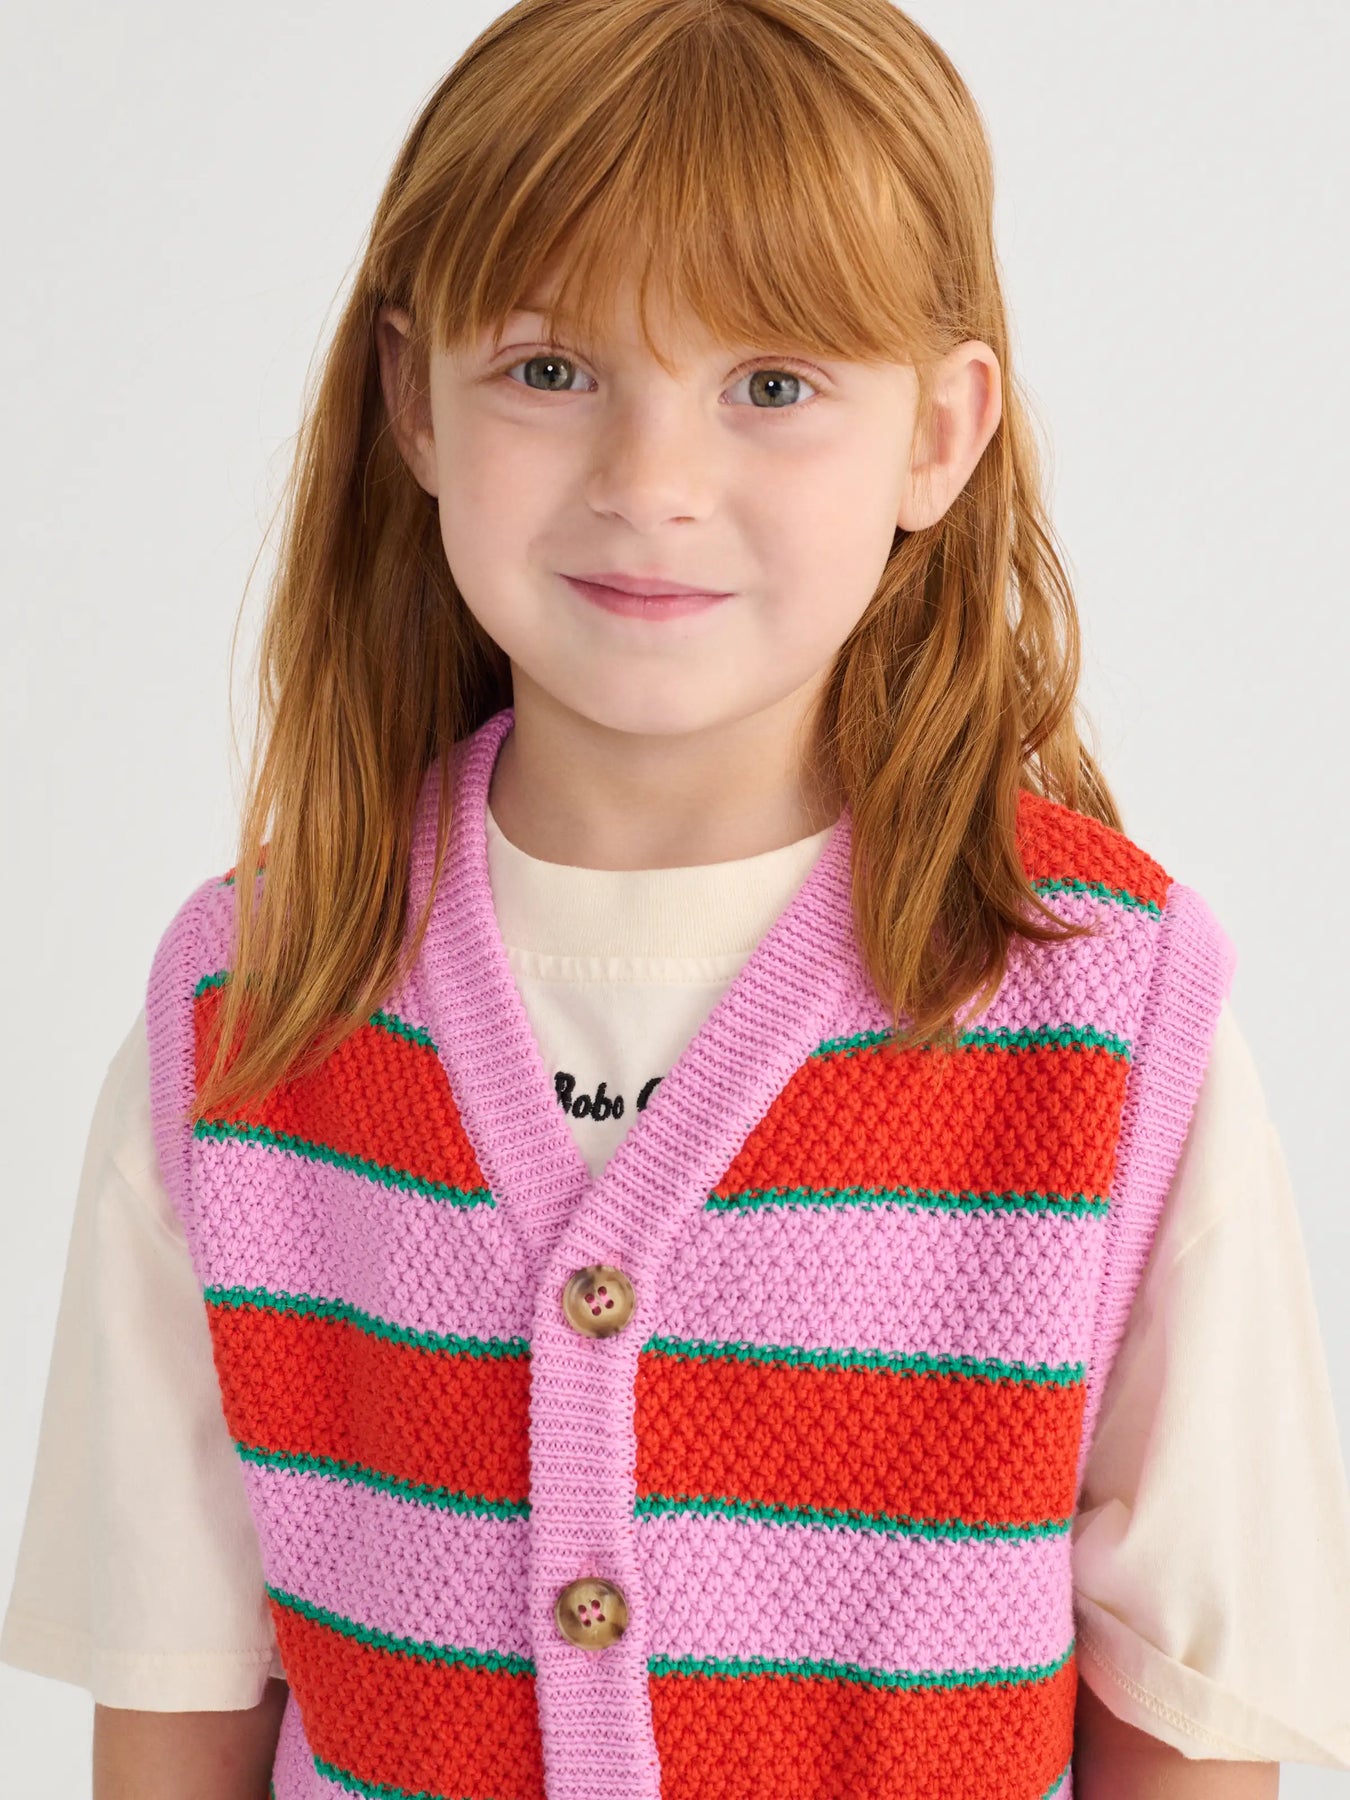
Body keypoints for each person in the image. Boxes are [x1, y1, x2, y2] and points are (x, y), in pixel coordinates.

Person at [4, 1, 1348, 1796]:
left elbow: (1188, 1728)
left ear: (937, 436)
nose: (650, 486)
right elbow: (171, 1718)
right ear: (412, 397)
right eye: (550, 370)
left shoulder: (1104, 1021)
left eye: (771, 387)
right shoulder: (250, 1006)